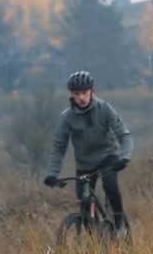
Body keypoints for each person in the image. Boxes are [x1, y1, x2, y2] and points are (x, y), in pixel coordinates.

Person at [43, 70, 134, 235]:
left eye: (84, 93)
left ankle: (120, 223)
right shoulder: (67, 117)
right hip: (85, 164)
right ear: (71, 95)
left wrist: (124, 157)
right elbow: (58, 147)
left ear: (92, 91)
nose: (81, 98)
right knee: (84, 202)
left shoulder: (104, 109)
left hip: (108, 158)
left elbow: (124, 135)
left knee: (110, 185)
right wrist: (52, 174)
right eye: (77, 94)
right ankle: (95, 240)